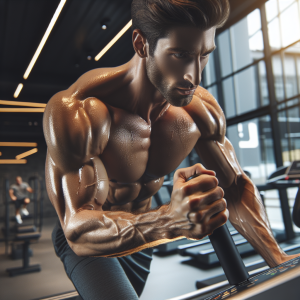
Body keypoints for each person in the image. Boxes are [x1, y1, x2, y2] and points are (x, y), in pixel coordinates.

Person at [43, 0, 300, 299]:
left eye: (204, 56)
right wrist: (170, 220)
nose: (195, 76)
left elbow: (234, 188)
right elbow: (78, 229)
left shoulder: (200, 113)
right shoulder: (81, 113)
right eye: (180, 55)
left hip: (142, 243)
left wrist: (278, 260)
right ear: (142, 44)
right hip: (90, 246)